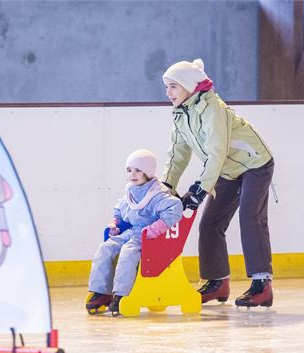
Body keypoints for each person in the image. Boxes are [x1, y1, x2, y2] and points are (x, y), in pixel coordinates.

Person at [161, 58, 275, 308]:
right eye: (167, 87)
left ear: (189, 86)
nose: (168, 93)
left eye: (173, 87)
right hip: (226, 169)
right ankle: (218, 282)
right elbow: (177, 155)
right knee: (210, 223)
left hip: (254, 164)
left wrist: (198, 189)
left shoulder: (213, 108)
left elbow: (216, 152)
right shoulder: (181, 114)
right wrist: (165, 188)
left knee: (250, 217)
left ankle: (262, 284)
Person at [86, 149, 183, 314]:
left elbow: (174, 209)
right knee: (106, 248)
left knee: (128, 252)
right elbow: (120, 211)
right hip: (130, 232)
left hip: (147, 237)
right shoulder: (130, 191)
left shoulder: (157, 194)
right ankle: (101, 291)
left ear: (148, 172)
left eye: (138, 170)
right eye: (129, 170)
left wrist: (154, 230)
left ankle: (121, 294)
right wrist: (114, 224)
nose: (133, 174)